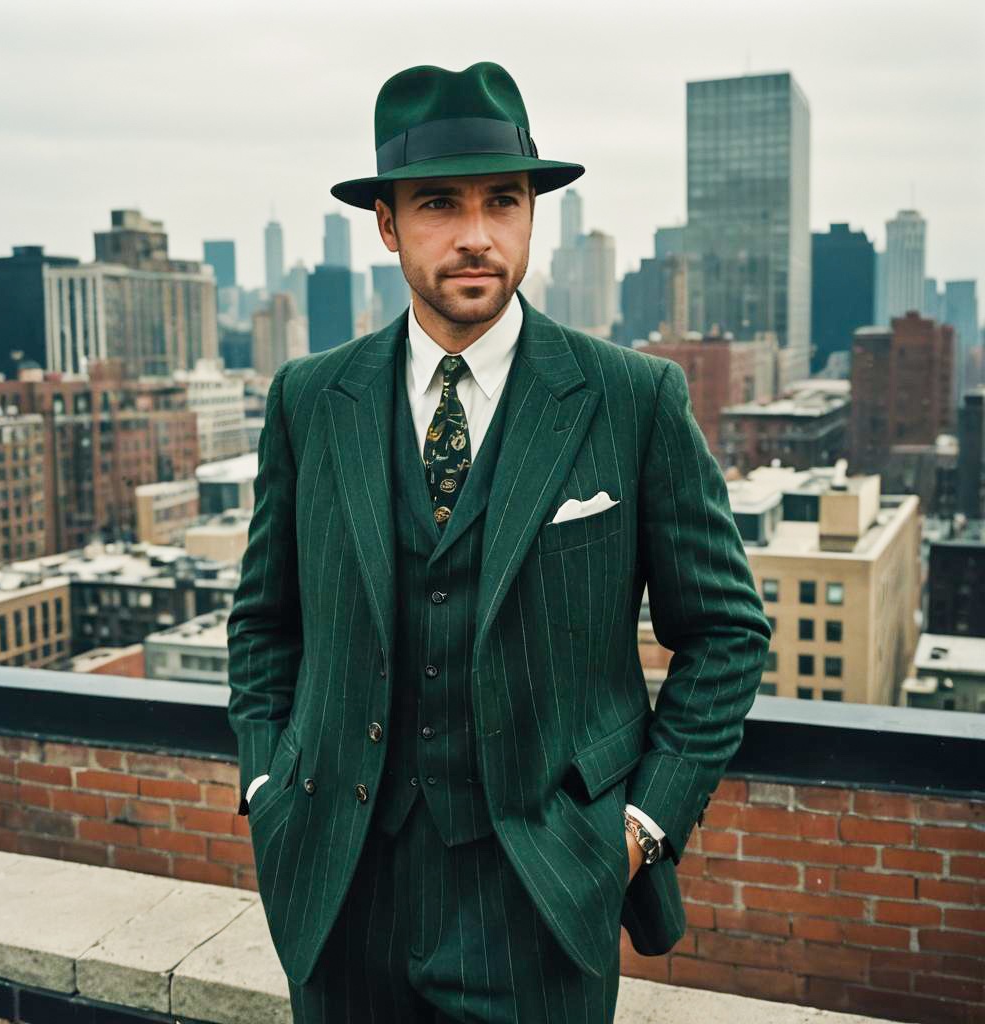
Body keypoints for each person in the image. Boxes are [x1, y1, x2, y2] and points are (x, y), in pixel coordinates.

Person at [226, 60, 771, 1023]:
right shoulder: (309, 400)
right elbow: (266, 623)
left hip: (543, 895)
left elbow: (727, 631)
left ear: (531, 214)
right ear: (388, 225)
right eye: (439, 204)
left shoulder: (630, 399)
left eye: (503, 202)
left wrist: (639, 826)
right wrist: (271, 784)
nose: (477, 235)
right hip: (341, 892)